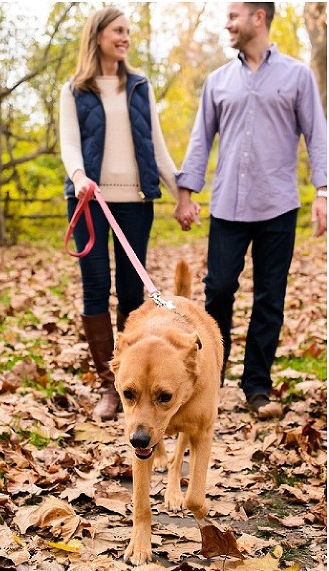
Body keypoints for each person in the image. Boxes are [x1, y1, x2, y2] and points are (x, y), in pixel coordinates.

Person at [176, 2, 327, 419]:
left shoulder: (297, 75)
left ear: (258, 17)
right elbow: (200, 139)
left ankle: (257, 385)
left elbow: (317, 135)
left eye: (233, 16)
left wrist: (323, 190)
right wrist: (187, 192)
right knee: (219, 289)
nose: (227, 24)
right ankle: (211, 378)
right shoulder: (218, 81)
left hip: (278, 204)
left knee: (269, 299)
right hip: (227, 204)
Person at [59, 7, 192, 420]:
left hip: (136, 200)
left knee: (133, 294)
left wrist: (181, 195)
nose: (125, 38)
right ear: (98, 35)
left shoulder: (139, 86)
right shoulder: (74, 90)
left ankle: (133, 376)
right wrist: (80, 176)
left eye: (128, 32)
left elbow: (156, 145)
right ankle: (109, 386)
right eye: (118, 31)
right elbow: (69, 144)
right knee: (96, 288)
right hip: (89, 199)